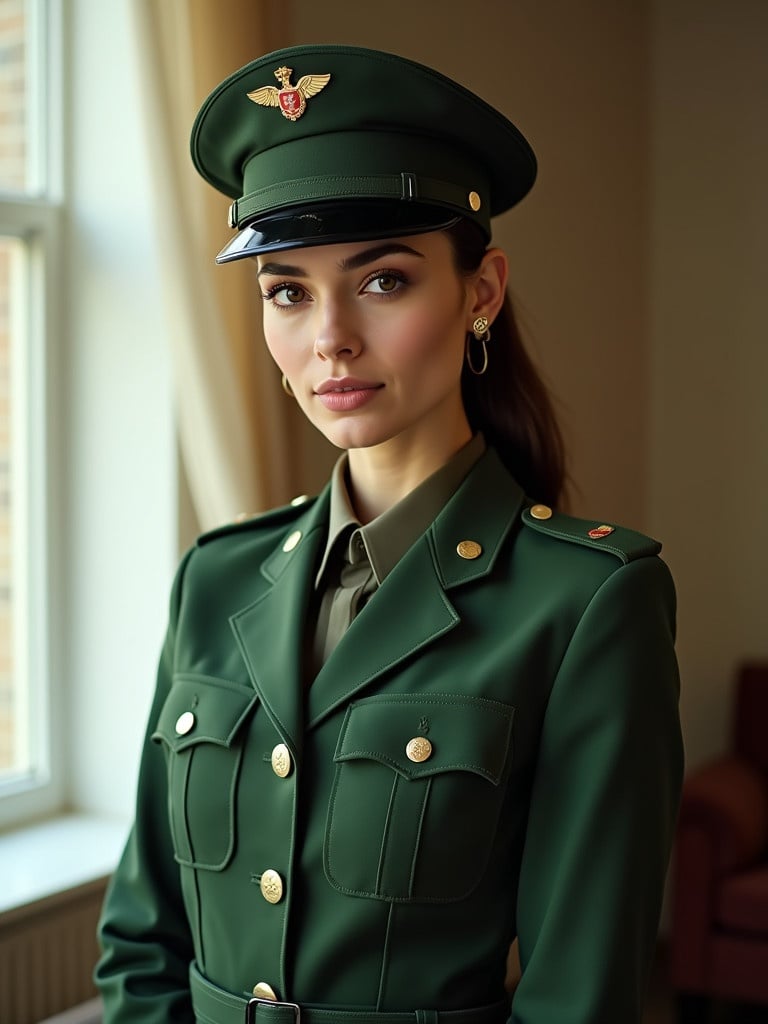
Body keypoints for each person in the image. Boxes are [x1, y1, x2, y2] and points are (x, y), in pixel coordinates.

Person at [95, 44, 683, 1024]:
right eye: (286, 290)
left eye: (382, 281)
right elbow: (143, 939)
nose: (328, 336)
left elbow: (578, 995)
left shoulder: (586, 601)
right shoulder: (217, 575)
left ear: (480, 291)